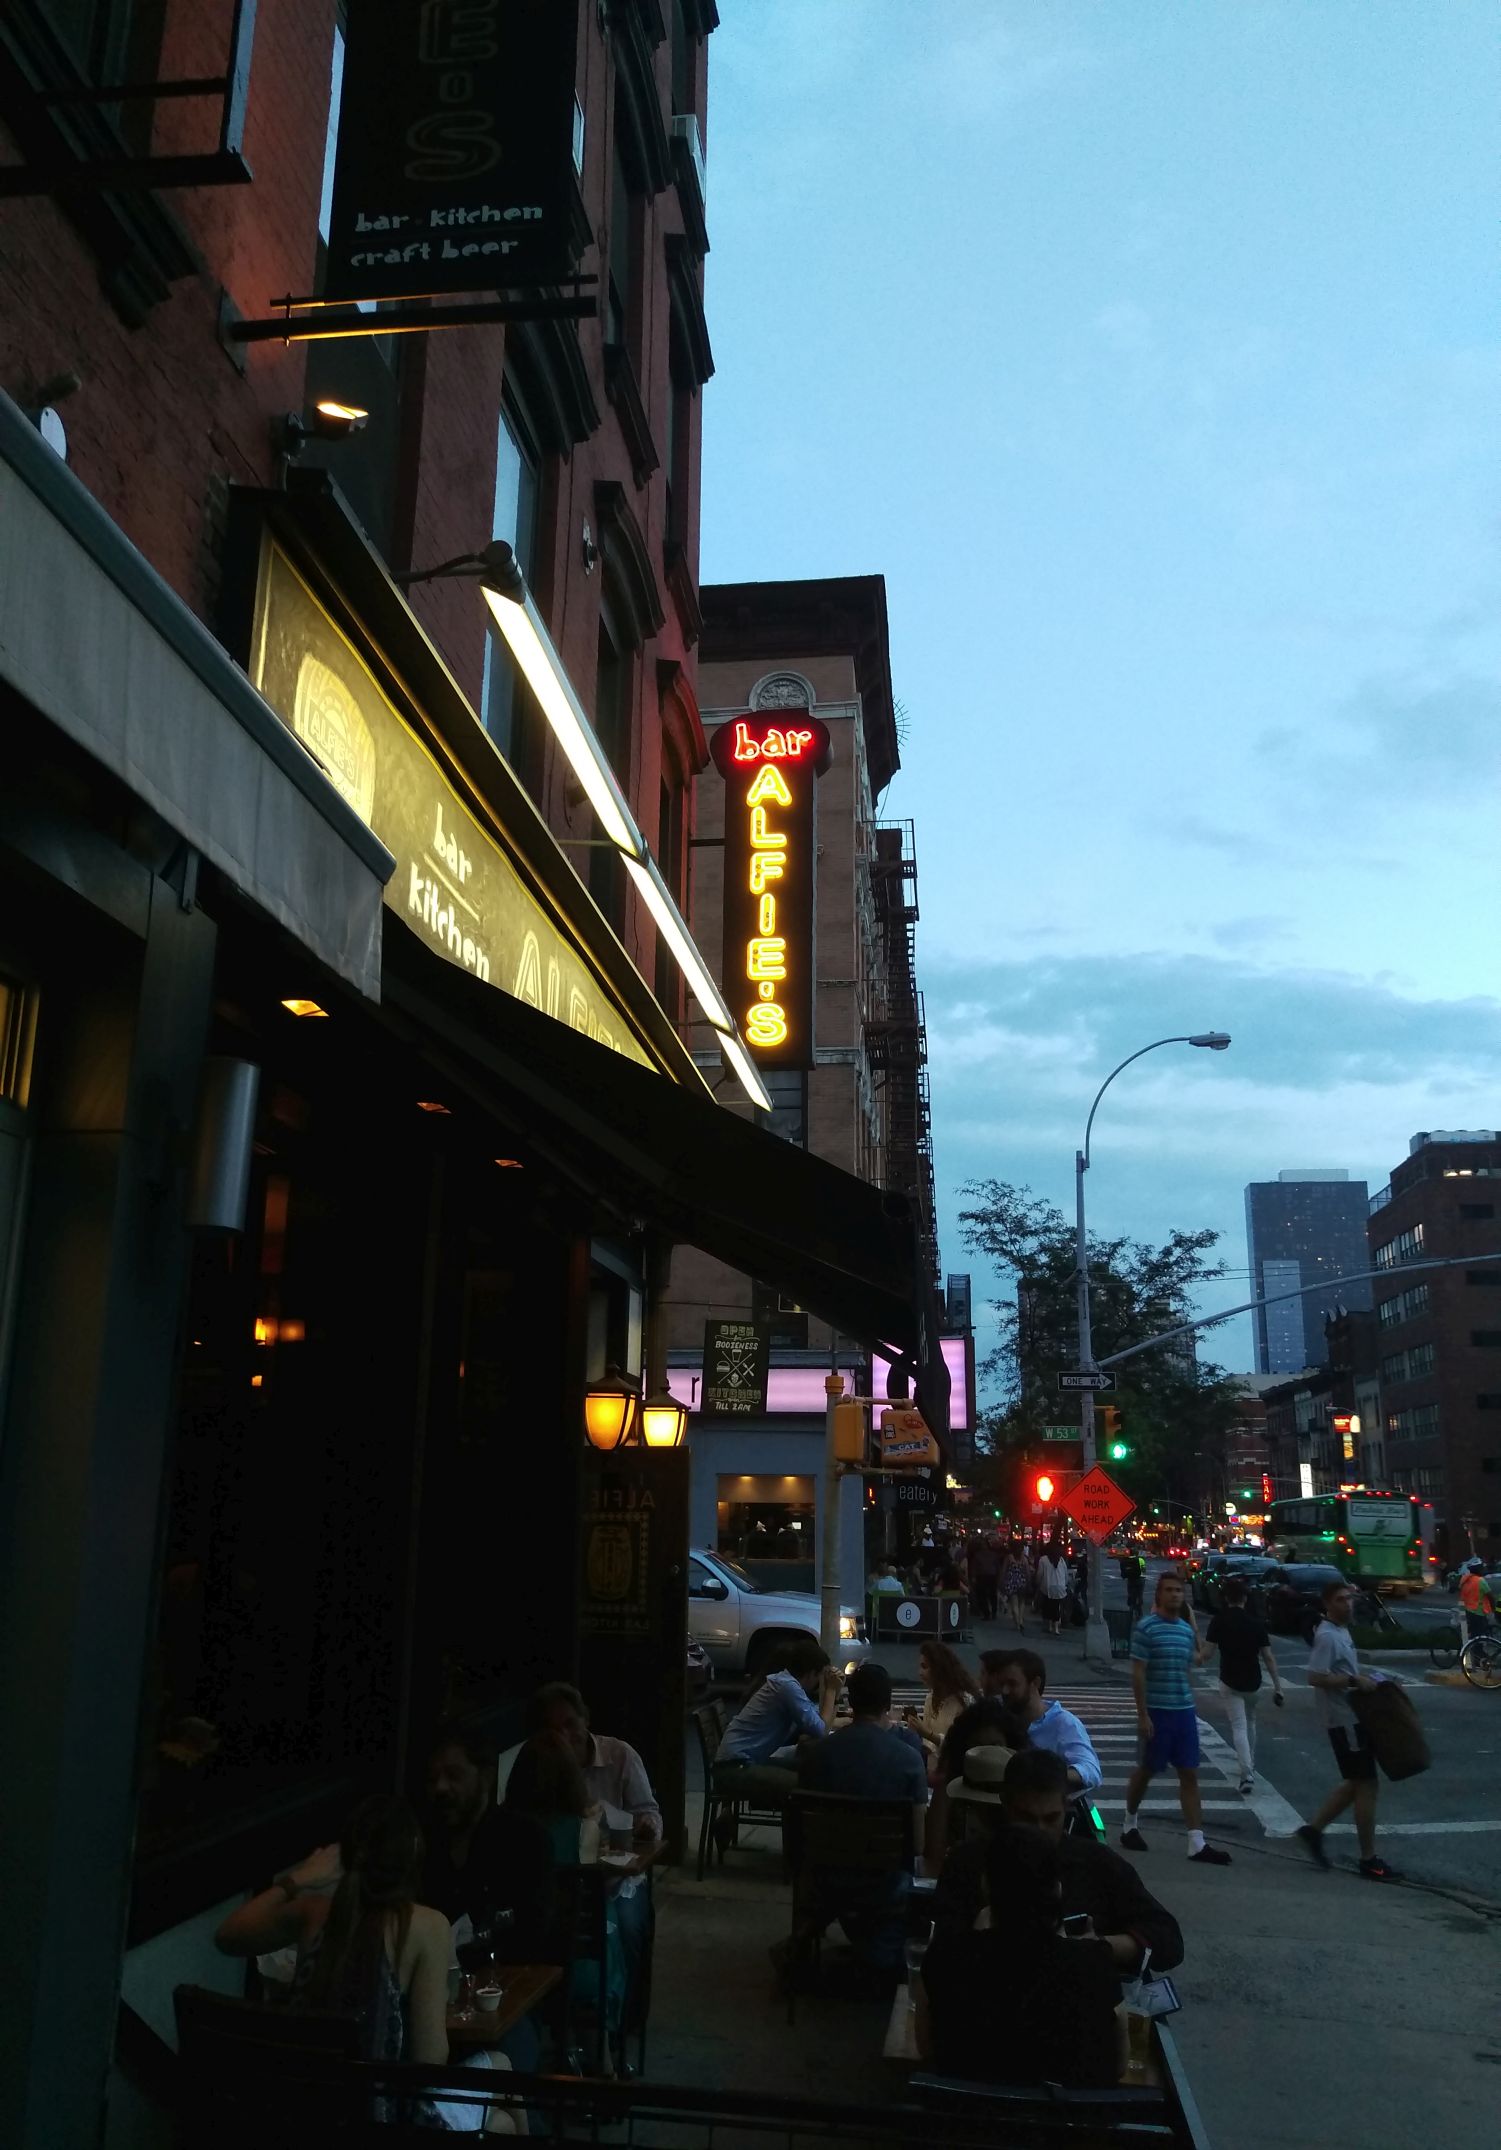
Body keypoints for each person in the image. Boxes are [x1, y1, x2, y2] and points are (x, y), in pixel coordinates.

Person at [215, 1795, 503, 2131]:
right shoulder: (425, 1925)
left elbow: (228, 1935)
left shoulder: (313, 1914)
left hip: (309, 2114)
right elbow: (430, 2061)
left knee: (502, 2115)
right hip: (387, 2118)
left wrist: (300, 1878)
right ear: (414, 1854)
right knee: (502, 2079)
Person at [932, 1747, 1184, 1977]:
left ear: (1066, 1807)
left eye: (1050, 1818)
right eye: (1026, 1818)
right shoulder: (968, 1862)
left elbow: (1167, 1938)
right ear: (1006, 1804)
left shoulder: (1097, 1863)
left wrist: (1099, 1946)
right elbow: (940, 1949)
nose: (1039, 1831)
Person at [919, 1823, 1126, 2089]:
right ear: (1057, 1889)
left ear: (986, 1885)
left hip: (965, 2113)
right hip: (1065, 2114)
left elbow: (927, 2051)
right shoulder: (1094, 1964)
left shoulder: (945, 1958)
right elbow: (1118, 2064)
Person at [525, 1682, 661, 2009]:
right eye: (554, 1728)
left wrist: (645, 1827)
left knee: (628, 1928)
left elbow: (649, 1812)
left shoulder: (620, 1755)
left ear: (585, 1719)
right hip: (564, 1884)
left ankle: (624, 2015)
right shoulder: (540, 1766)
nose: (565, 1734)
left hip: (618, 1880)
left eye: (570, 1723)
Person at [794, 1663, 929, 1973]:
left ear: (851, 1701)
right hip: (884, 1883)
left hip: (823, 1876)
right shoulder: (908, 1759)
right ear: (887, 1703)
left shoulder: (818, 1754)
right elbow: (918, 1845)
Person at [504, 1733, 628, 2040]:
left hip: (510, 1960)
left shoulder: (504, 1830)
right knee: (614, 1925)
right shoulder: (581, 1832)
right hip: (575, 1964)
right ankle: (605, 2041)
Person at [1122, 1571, 1231, 1864]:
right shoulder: (1146, 1628)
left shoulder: (1184, 1630)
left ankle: (1196, 1843)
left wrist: (1200, 1634)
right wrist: (1143, 1715)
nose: (1174, 1595)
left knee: (1189, 1773)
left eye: (1179, 1591)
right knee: (1146, 1770)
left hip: (1183, 1711)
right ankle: (1129, 1824)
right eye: (1169, 1590)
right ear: (1158, 1595)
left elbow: (1195, 1660)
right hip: (1157, 1712)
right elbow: (1138, 1673)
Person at [1295, 1579, 1399, 1881]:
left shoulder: (1341, 1631)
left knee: (1356, 1783)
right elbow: (1315, 1677)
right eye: (1340, 1599)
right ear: (1328, 1604)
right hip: (1344, 1720)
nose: (1348, 1604)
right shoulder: (1327, 1636)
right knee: (1366, 1786)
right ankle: (1368, 1858)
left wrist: (1369, 1680)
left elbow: (1343, 1672)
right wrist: (1354, 1681)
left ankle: (1313, 1831)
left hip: (1354, 1716)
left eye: (1349, 1599)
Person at [421, 1725, 554, 1956]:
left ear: (486, 1777)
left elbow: (532, 1933)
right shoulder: (424, 1840)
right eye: (432, 1779)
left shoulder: (522, 1837)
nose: (440, 1787)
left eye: (454, 1775)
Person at [713, 1636, 840, 1804]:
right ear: (811, 1673)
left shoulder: (786, 1684)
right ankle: (796, 1821)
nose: (818, 1684)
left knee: (810, 1770)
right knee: (807, 1786)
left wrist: (834, 1694)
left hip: (746, 1762)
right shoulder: (787, 1687)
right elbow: (819, 1730)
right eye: (819, 1678)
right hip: (735, 1767)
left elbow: (816, 1719)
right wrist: (831, 1691)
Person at [1206, 1575, 1283, 1793]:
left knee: (1238, 1725)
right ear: (1245, 1598)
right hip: (1253, 1680)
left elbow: (1208, 1652)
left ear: (1225, 1598)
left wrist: (1195, 1653)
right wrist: (1278, 1687)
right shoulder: (1256, 1623)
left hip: (1229, 1679)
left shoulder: (1219, 1621)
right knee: (1250, 1722)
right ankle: (1251, 1763)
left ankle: (1246, 1773)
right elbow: (1268, 1657)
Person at [991, 1649, 1103, 1793]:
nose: (1005, 1691)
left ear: (1035, 1683)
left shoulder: (1064, 1723)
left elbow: (1091, 1770)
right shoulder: (1001, 1718)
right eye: (1002, 1684)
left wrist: (1047, 1775)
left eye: (1012, 1684)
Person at [902, 1640, 977, 1765]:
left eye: (925, 1667)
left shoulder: (965, 1701)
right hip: (932, 1769)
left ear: (939, 1669)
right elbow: (927, 1744)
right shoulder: (930, 1698)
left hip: (954, 1769)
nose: (920, 1673)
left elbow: (961, 1745)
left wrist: (927, 1734)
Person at [1034, 1536, 1072, 1637]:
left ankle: (1050, 1626)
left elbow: (1040, 1574)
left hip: (1047, 1587)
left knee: (1048, 1606)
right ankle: (1056, 1627)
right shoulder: (1061, 1560)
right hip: (1060, 1587)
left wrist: (1038, 1583)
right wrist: (1065, 1584)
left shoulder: (1043, 1560)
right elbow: (1065, 1574)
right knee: (1056, 1606)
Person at [1000, 1540, 1032, 1632]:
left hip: (1011, 1583)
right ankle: (1021, 1621)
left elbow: (1003, 1571)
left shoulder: (1009, 1558)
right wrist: (1029, 1583)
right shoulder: (1024, 1559)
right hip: (1022, 1582)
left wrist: (1002, 1582)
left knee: (1014, 1604)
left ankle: (1017, 1622)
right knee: (1022, 1603)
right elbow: (1027, 1573)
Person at [1459, 1560, 1495, 1638]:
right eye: (1481, 1568)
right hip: (1478, 1611)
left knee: (1473, 1633)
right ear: (1478, 1569)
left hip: (1467, 1609)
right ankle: (1477, 1645)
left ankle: (1469, 1643)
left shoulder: (1465, 1579)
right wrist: (1494, 1609)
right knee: (1479, 1635)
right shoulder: (1480, 1581)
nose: (1483, 1570)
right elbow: (1490, 1596)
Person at [970, 1535, 1001, 1621]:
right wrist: (973, 1577)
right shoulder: (978, 1555)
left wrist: (999, 1576)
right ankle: (987, 1613)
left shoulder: (993, 1554)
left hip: (990, 1576)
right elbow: (974, 1567)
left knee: (991, 1595)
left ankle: (992, 1612)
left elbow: (997, 1567)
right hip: (983, 1576)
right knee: (983, 1595)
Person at [1118, 1548, 1146, 1619]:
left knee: (1130, 1593)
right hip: (1140, 1579)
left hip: (1131, 1579)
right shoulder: (1140, 1560)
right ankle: (1139, 1612)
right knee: (1140, 1594)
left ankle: (1131, 1608)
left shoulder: (1126, 1560)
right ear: (1137, 1553)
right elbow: (1143, 1570)